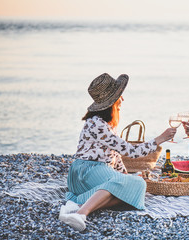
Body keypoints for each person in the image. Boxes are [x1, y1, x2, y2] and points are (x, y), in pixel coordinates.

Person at [59, 73, 176, 231]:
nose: (122, 99)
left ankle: (77, 205)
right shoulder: (97, 124)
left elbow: (116, 155)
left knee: (136, 187)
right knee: (134, 184)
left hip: (91, 171)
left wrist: (124, 176)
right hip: (87, 172)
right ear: (112, 101)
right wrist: (159, 139)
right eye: (120, 96)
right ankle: (81, 213)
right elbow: (130, 151)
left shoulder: (104, 123)